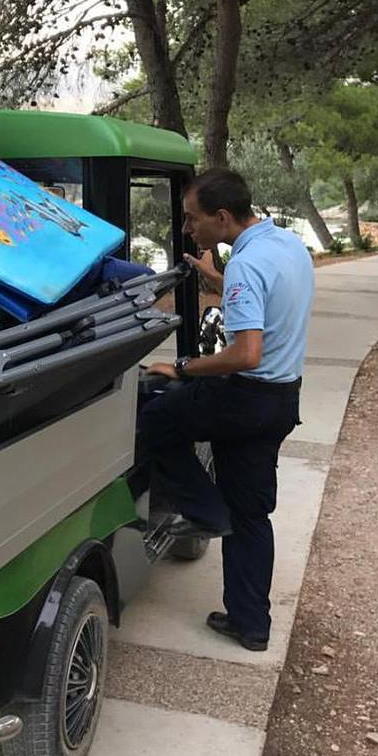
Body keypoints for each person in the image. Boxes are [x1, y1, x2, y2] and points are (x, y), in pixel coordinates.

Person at [138, 168, 314, 652]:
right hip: (281, 399)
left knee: (153, 418)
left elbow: (246, 353)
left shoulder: (247, 267)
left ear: (221, 217)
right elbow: (271, 303)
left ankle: (202, 511)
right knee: (252, 514)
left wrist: (185, 367)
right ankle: (250, 624)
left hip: (244, 396)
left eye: (194, 220)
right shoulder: (287, 244)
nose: (189, 229)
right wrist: (216, 277)